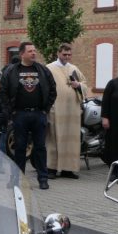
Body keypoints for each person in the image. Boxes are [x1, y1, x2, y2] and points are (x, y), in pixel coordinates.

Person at [1, 41, 56, 190]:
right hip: (19, 115)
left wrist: (45, 109)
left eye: (34, 50)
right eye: (30, 51)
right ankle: (17, 180)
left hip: (38, 114)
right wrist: (11, 112)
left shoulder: (43, 70)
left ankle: (43, 179)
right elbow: (3, 92)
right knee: (19, 149)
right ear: (22, 54)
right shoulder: (11, 71)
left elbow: (52, 90)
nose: (34, 53)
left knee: (40, 148)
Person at [45, 43, 85, 179]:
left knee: (71, 139)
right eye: (64, 54)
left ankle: (68, 169)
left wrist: (78, 85)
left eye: (69, 54)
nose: (67, 57)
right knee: (54, 138)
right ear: (58, 53)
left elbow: (85, 84)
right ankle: (51, 168)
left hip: (72, 110)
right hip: (56, 109)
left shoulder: (73, 68)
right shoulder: (49, 68)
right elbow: (45, 88)